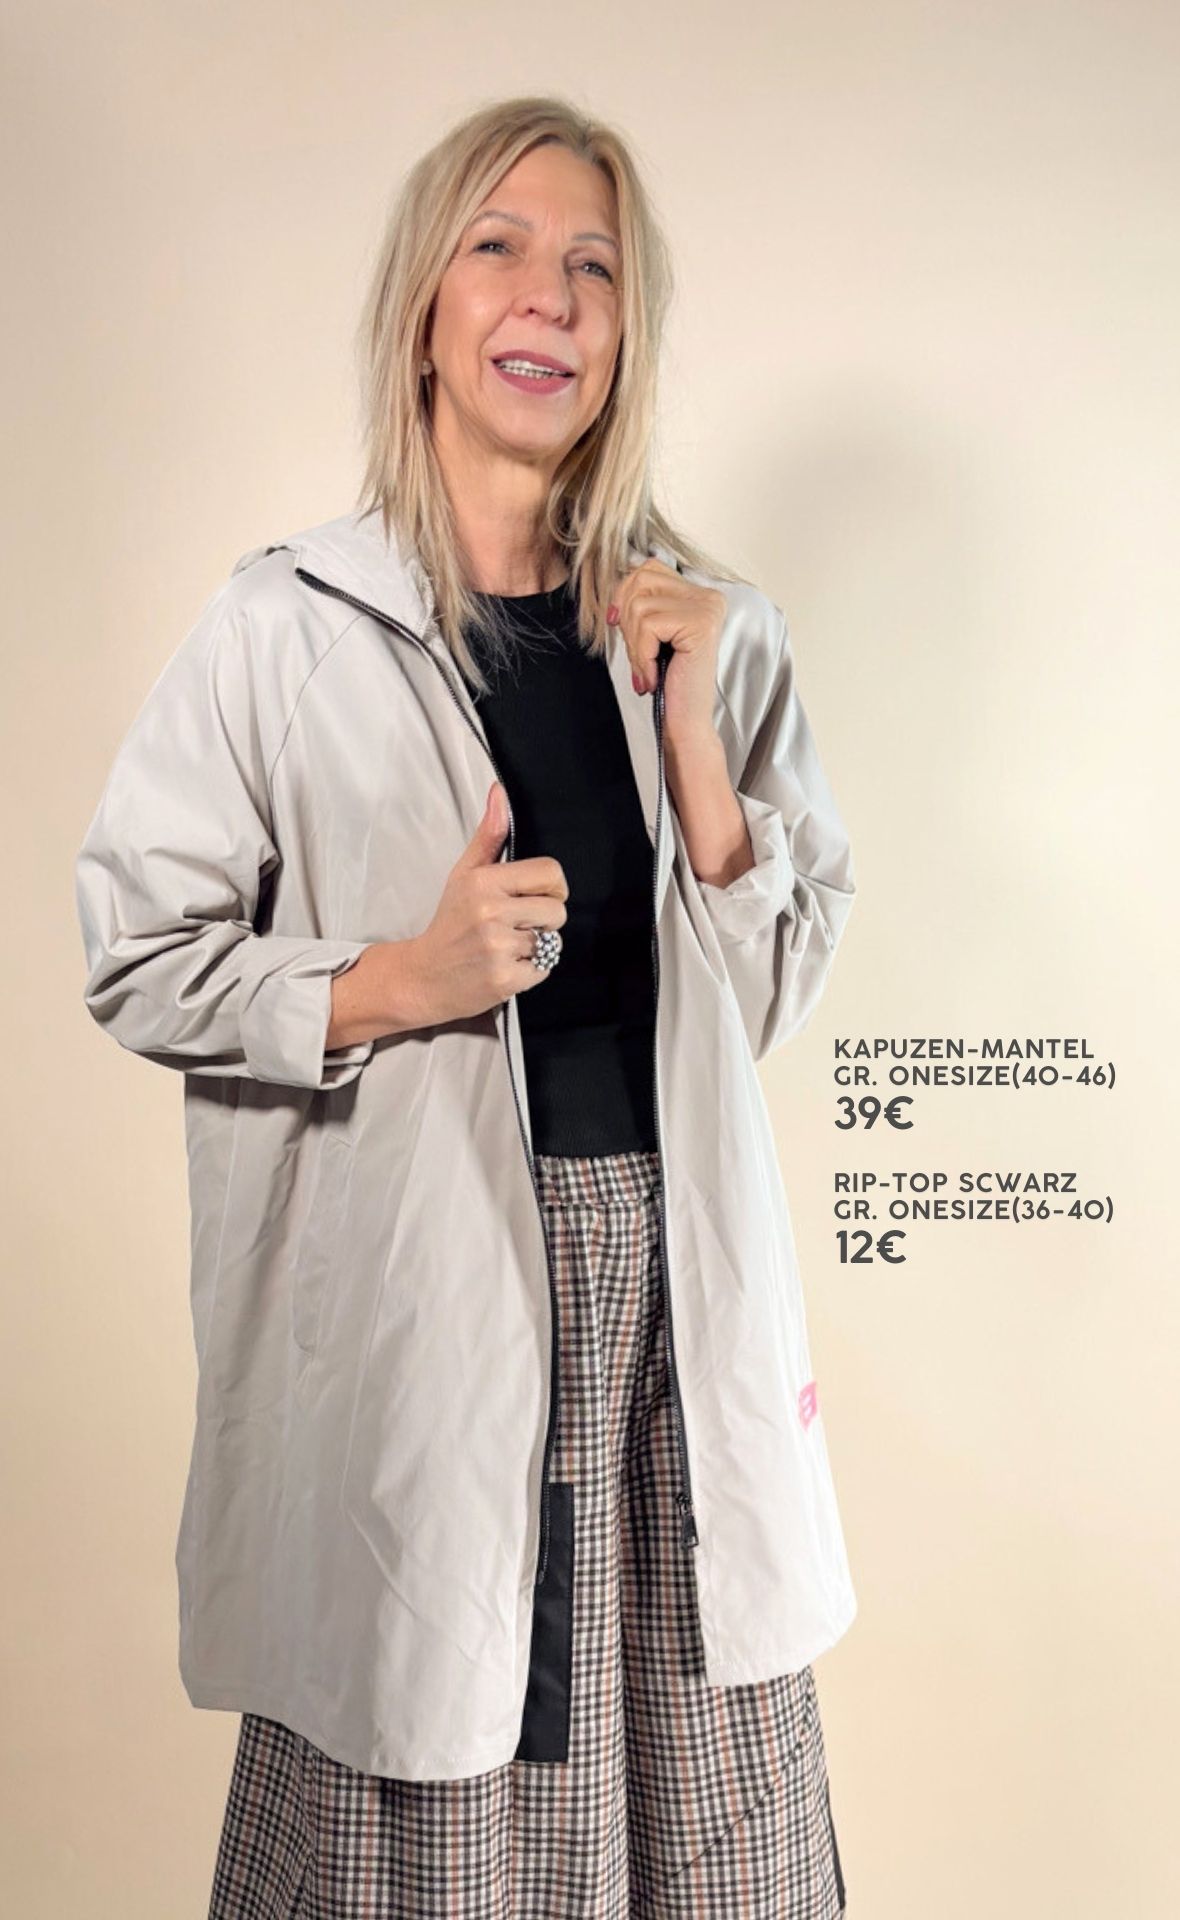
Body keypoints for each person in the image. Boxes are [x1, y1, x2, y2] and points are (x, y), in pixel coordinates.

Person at [75, 95, 855, 1918]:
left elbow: (769, 992)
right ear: (426, 304)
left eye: (595, 265)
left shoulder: (707, 630)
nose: (548, 297)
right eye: (499, 246)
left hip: (673, 1309)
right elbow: (136, 947)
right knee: (431, 1783)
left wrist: (697, 750)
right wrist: (399, 979)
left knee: (707, 1814)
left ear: (628, 331)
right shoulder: (288, 626)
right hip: (426, 1308)